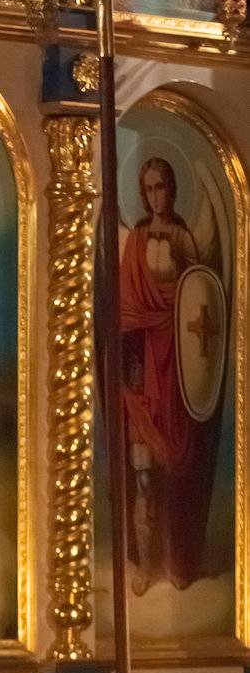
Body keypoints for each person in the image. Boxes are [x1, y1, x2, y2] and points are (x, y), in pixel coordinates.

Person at [120, 156, 213, 593]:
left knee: (174, 471)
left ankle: (175, 560)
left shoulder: (182, 236)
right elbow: (125, 304)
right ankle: (144, 565)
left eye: (162, 187)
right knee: (143, 471)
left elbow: (199, 294)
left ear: (172, 190)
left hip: (174, 364)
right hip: (143, 363)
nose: (156, 196)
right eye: (149, 189)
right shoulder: (136, 239)